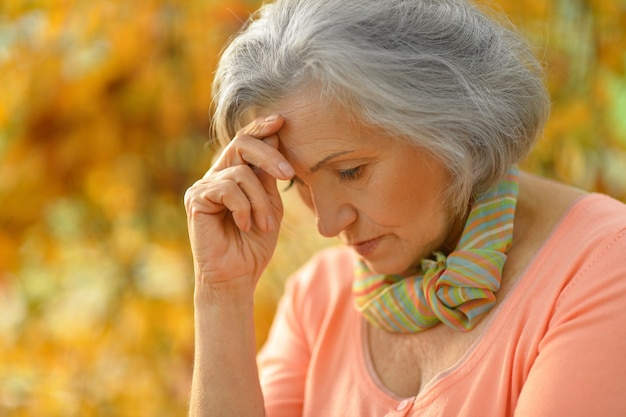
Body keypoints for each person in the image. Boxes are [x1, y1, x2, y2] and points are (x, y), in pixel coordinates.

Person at [184, 0, 626, 415]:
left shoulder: (603, 267)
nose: (327, 223)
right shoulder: (318, 300)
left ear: (450, 121)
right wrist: (221, 294)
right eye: (297, 181)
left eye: (351, 171)